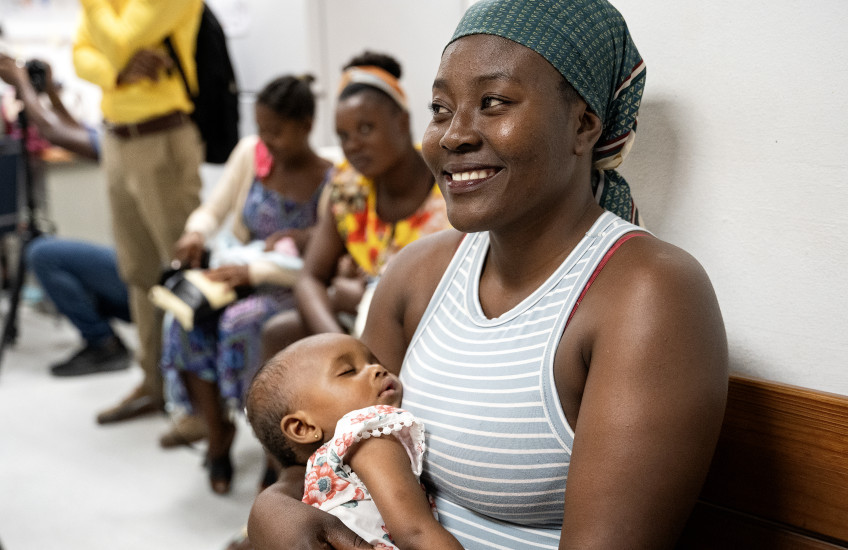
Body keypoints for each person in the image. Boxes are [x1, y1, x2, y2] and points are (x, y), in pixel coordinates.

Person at [247, 1, 729, 548]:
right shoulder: (417, 275)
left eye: (493, 102)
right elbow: (333, 446)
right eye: (440, 108)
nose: (453, 135)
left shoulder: (647, 295)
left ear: (584, 123)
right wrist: (275, 506)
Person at [160, 74, 333, 495]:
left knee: (241, 322)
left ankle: (272, 452)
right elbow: (214, 208)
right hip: (237, 274)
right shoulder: (250, 156)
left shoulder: (331, 179)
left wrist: (254, 274)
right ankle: (218, 432)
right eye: (261, 130)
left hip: (290, 288)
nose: (266, 141)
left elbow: (317, 267)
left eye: (277, 132)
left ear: (307, 124)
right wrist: (196, 233)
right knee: (184, 316)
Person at [260, 50, 450, 372]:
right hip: (360, 330)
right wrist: (344, 349)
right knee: (279, 332)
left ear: (402, 122)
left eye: (365, 129)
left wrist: (365, 300)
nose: (353, 145)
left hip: (430, 326)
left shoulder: (449, 186)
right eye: (344, 136)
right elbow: (309, 278)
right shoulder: (349, 190)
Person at [73, 0, 205, 425]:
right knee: (137, 270)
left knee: (182, 273)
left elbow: (119, 40)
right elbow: (81, 55)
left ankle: (199, 402)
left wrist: (111, 49)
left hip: (162, 138)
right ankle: (153, 384)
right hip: (115, 139)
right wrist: (116, 73)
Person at [246, 333, 463, 550]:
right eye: (349, 371)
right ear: (303, 428)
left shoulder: (321, 469)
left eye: (374, 361)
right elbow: (416, 533)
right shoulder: (367, 435)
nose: (378, 369)